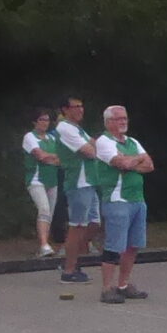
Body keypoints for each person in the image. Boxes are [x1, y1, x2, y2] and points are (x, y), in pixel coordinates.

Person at [92, 106, 154, 302]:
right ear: (108, 122)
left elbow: (149, 165)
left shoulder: (132, 142)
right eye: (118, 119)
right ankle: (106, 288)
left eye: (125, 118)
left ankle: (123, 285)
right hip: (117, 200)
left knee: (133, 245)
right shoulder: (104, 141)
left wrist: (131, 161)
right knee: (114, 245)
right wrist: (135, 160)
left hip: (137, 199)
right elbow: (122, 164)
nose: (123, 122)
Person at [51, 94, 101, 286]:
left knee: (94, 223)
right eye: (75, 106)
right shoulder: (64, 128)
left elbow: (95, 145)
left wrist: (95, 147)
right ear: (65, 110)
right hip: (79, 181)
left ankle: (70, 258)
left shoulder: (77, 129)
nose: (80, 109)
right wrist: (95, 148)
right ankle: (69, 271)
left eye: (81, 106)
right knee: (78, 225)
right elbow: (90, 151)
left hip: (90, 180)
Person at [21, 109, 65, 257]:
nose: (45, 123)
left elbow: (62, 158)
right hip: (36, 179)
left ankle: (45, 244)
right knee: (44, 209)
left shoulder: (52, 138)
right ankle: (44, 245)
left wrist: (52, 158)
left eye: (47, 120)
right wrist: (53, 158)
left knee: (49, 214)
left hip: (52, 180)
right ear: (35, 122)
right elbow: (40, 155)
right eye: (41, 120)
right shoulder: (29, 137)